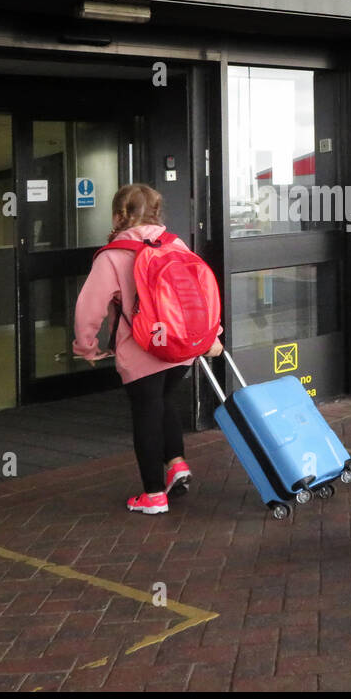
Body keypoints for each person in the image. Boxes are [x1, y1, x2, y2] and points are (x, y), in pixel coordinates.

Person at [72, 183, 221, 515]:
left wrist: (86, 347)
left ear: (117, 215)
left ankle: (153, 495)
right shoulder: (176, 244)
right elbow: (198, 294)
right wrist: (213, 334)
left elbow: (89, 307)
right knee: (163, 400)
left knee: (146, 414)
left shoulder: (112, 255)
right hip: (182, 347)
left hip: (141, 350)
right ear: (157, 213)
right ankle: (176, 463)